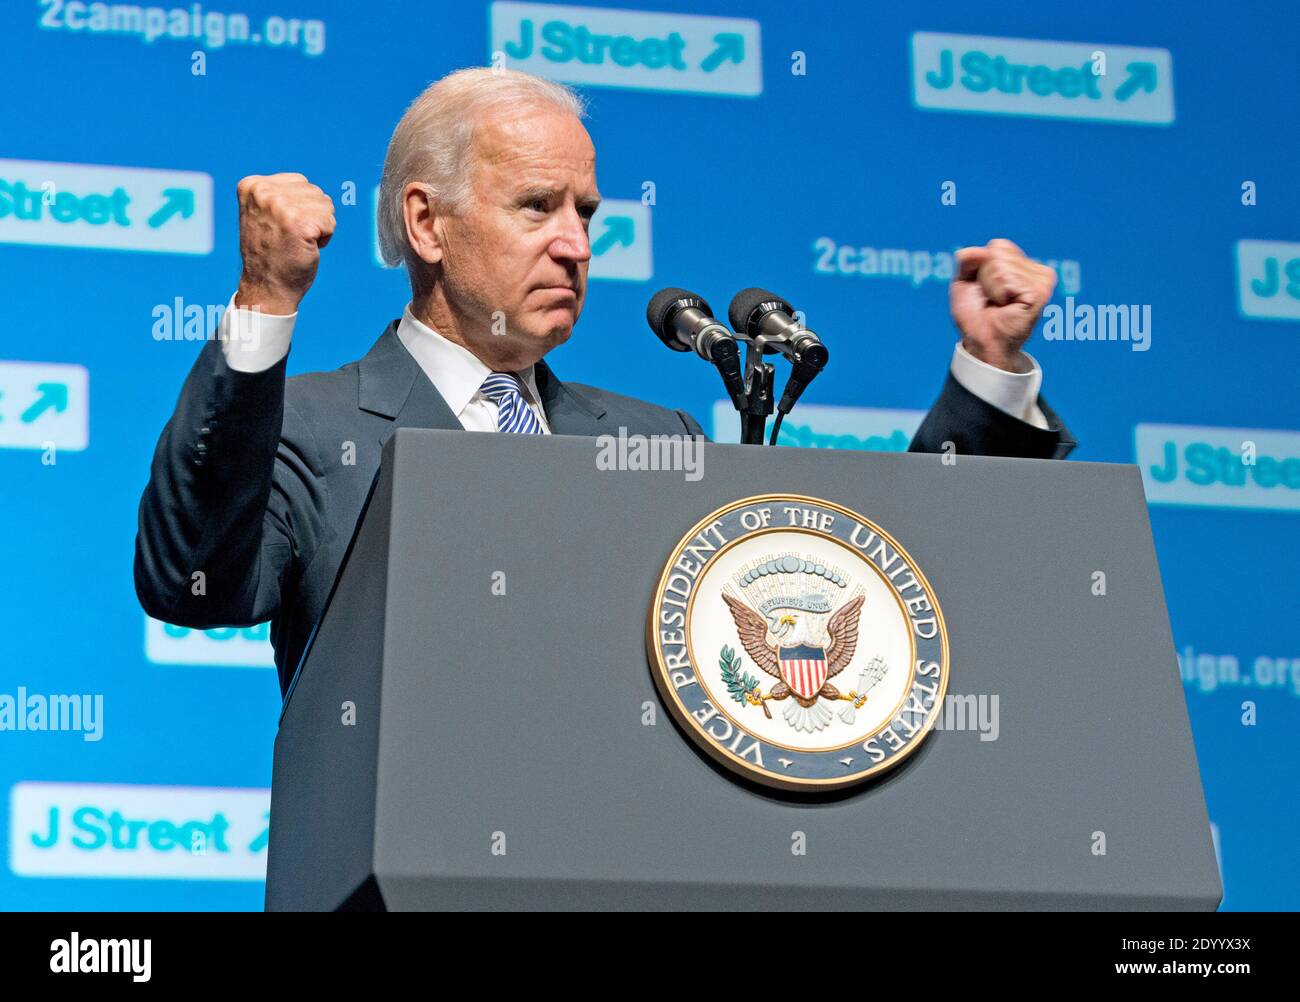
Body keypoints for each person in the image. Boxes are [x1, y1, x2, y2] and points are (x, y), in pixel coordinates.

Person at [134, 67, 1074, 697]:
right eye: (537, 206)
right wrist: (264, 303)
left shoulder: (658, 440)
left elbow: (843, 600)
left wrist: (989, 373)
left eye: (584, 210)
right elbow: (194, 581)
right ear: (427, 224)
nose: (577, 244)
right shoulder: (310, 426)